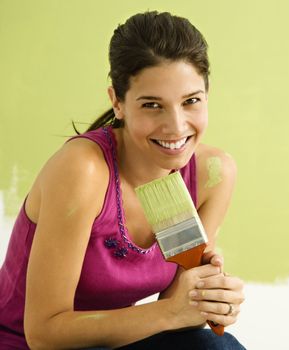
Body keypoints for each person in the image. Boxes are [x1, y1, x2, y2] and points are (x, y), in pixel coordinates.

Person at [0, 11, 245, 349]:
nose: (176, 126)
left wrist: (208, 299)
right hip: (28, 345)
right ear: (117, 101)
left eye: (191, 101)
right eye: (152, 105)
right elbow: (43, 333)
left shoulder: (211, 175)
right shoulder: (84, 171)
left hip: (115, 343)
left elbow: (177, 318)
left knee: (218, 347)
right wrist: (172, 312)